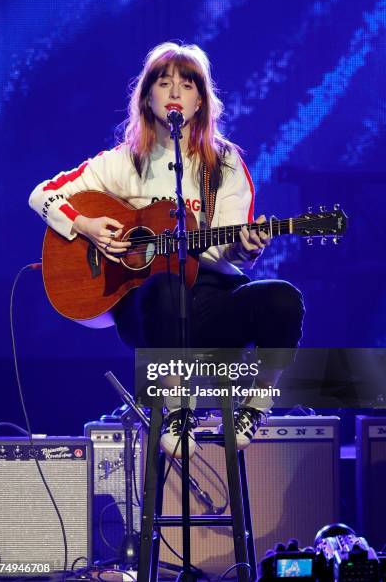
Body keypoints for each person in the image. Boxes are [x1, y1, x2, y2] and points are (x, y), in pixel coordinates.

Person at [29, 42, 304, 458]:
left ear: (200, 101)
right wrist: (84, 225)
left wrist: (244, 250)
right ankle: (176, 410)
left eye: (187, 84)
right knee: (166, 288)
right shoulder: (124, 162)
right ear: (147, 96)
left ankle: (256, 407)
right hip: (148, 309)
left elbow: (227, 247)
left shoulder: (224, 164)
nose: (175, 91)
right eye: (164, 82)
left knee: (283, 298)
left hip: (211, 303)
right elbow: (43, 194)